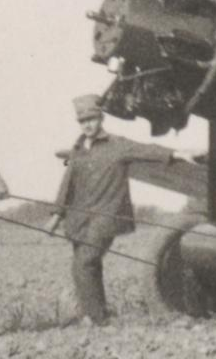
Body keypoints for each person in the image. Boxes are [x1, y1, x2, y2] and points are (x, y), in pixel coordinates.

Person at [45, 93, 177, 325]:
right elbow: (67, 184)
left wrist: (176, 154)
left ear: (101, 118)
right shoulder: (77, 149)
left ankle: (97, 319)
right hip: (78, 219)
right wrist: (56, 217)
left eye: (91, 119)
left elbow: (146, 150)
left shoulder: (117, 145)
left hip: (106, 217)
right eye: (82, 121)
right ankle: (98, 314)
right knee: (86, 266)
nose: (87, 125)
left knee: (85, 262)